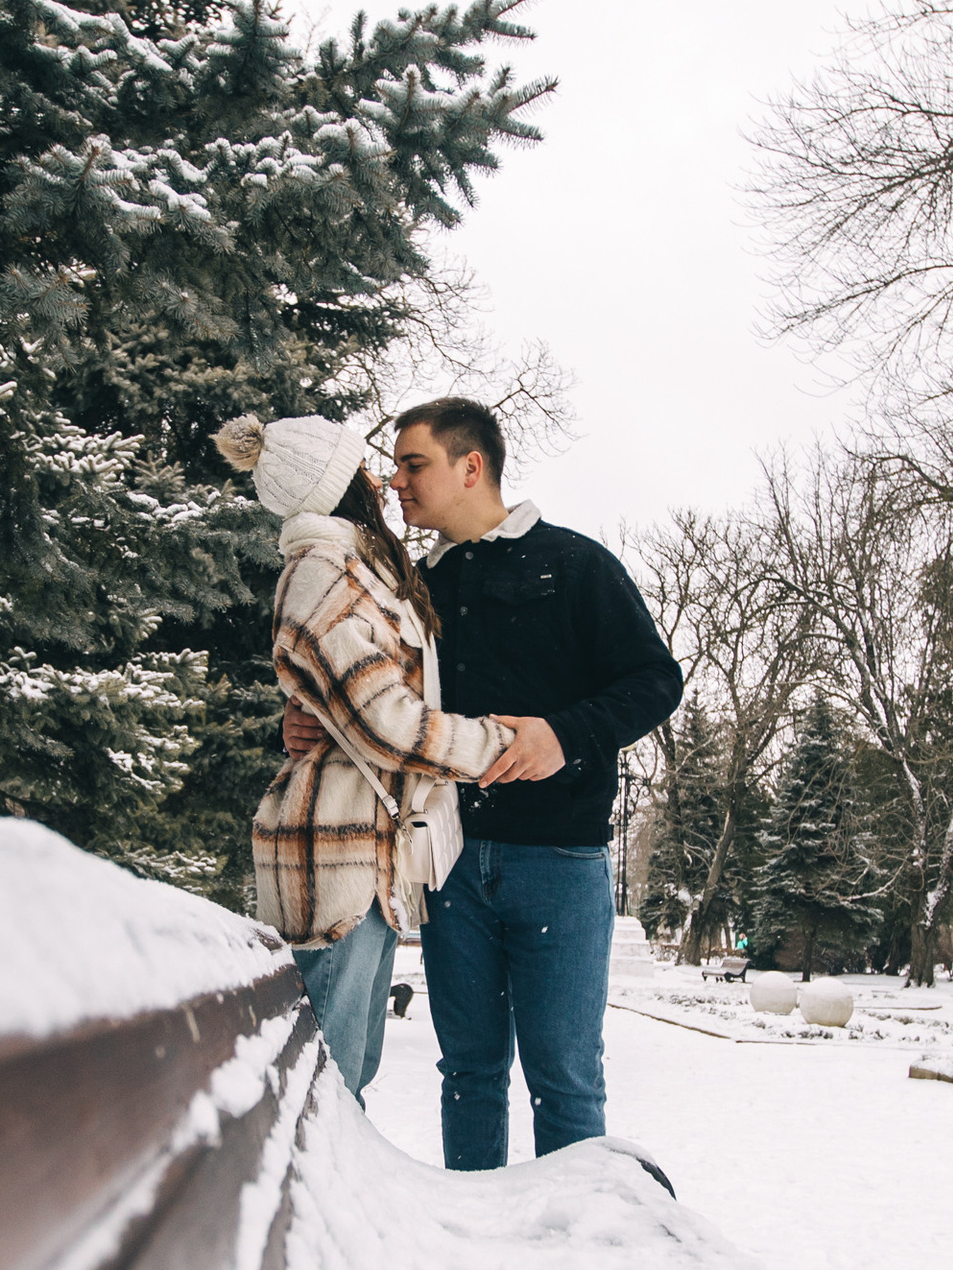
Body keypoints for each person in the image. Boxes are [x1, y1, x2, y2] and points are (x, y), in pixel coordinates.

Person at [284, 398, 684, 1165]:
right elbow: (366, 693)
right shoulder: (408, 588)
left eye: (413, 464)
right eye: (396, 466)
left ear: (472, 467)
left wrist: (564, 735)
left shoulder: (575, 565)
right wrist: (306, 724)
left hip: (560, 863)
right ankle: (476, 1238)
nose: (395, 482)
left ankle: (570, 1248)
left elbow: (654, 680)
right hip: (449, 864)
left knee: (565, 1080)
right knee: (468, 1072)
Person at [215, 409, 511, 1100]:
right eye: (365, 468)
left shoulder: (358, 567)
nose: (381, 479)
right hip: (334, 856)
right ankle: (299, 1211)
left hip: (366, 853)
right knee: (324, 1084)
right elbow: (387, 723)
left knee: (347, 1071)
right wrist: (497, 742)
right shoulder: (321, 572)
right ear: (341, 483)